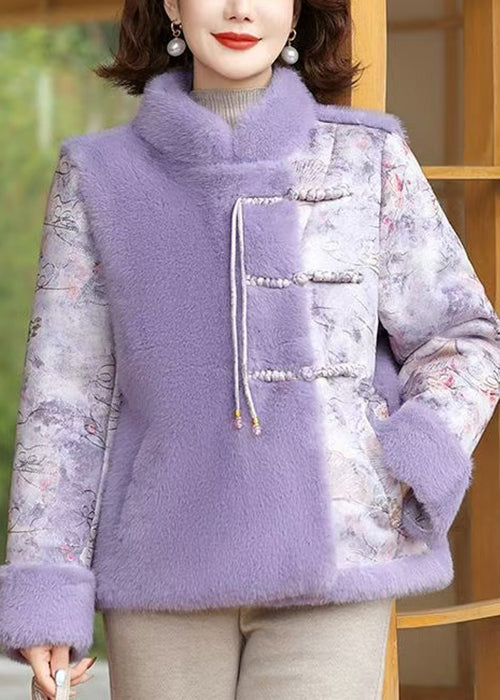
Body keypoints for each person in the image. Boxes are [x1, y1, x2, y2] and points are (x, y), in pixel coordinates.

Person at [2, 0, 500, 698]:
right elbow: (64, 398)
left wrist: (413, 454)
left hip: (336, 560)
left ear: (295, 13)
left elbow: (464, 336)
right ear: (172, 6)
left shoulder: (368, 159)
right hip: (163, 569)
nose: (240, 8)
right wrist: (47, 590)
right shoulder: (98, 175)